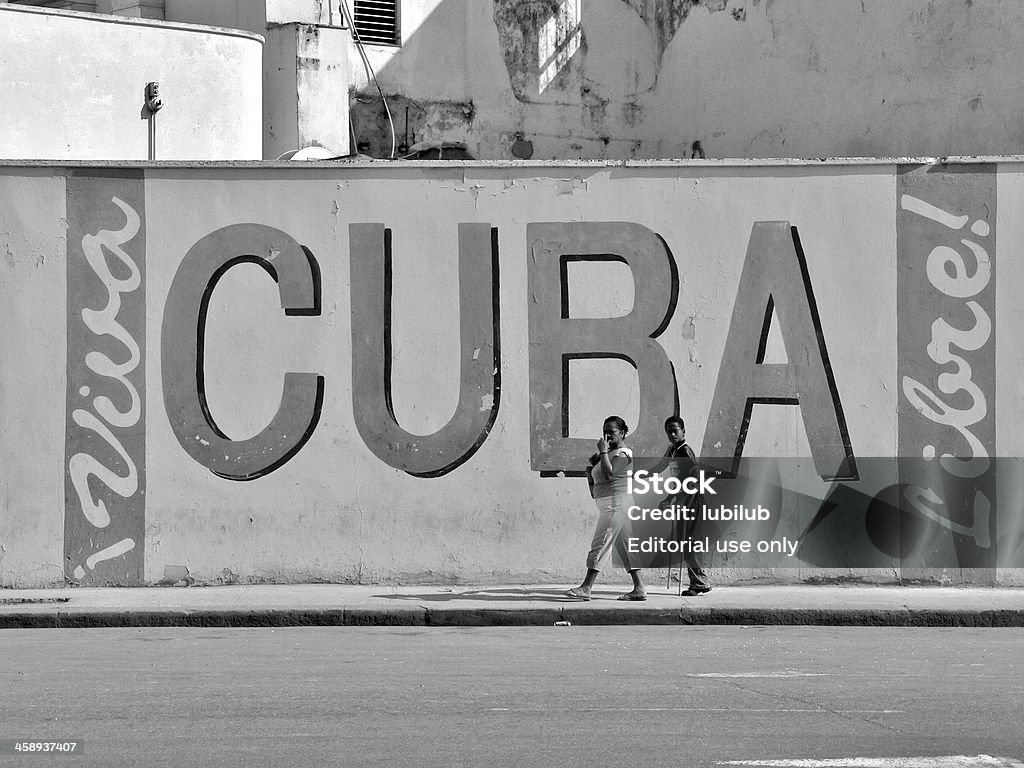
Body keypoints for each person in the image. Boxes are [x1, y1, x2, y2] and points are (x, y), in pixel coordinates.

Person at [565, 416, 647, 601]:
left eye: (612, 431)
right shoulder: (609, 454)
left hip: (616, 503)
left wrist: (602, 453)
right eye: (605, 431)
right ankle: (639, 588)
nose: (607, 435)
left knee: (601, 542)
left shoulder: (623, 453)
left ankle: (586, 587)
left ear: (623, 433)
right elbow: (596, 484)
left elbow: (611, 475)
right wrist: (591, 470)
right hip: (611, 502)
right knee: (626, 547)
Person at [663, 416, 711, 596]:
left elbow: (695, 478)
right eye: (669, 431)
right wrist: (668, 499)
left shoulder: (685, 451)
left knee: (689, 545)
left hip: (694, 502)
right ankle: (696, 582)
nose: (672, 433)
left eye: (675, 430)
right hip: (684, 502)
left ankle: (701, 582)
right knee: (684, 544)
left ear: (684, 431)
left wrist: (683, 500)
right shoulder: (674, 452)